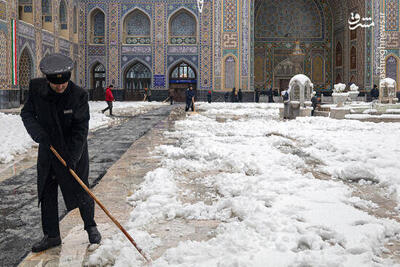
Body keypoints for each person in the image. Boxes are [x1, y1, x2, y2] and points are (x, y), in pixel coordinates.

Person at [20, 53, 101, 253]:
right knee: (47, 192)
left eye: (63, 83)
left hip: (74, 149)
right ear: (47, 80)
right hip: (48, 149)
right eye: (55, 84)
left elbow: (80, 129)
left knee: (81, 188)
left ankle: (90, 226)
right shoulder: (36, 89)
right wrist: (38, 134)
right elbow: (27, 113)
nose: (60, 87)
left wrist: (72, 157)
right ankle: (52, 235)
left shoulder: (79, 95)